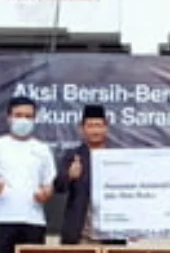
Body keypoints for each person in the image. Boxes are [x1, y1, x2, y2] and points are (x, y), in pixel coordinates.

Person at [0, 96, 56, 253]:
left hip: (34, 221)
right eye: (18, 115)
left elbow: (48, 185)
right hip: (2, 220)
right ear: (8, 117)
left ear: (35, 119)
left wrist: (45, 194)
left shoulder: (42, 149)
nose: (23, 120)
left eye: (28, 116)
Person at [54, 104, 127, 245]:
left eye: (99, 126)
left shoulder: (117, 157)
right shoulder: (73, 156)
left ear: (106, 128)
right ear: (82, 129)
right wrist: (70, 176)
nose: (95, 131)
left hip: (111, 235)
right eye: (90, 126)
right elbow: (59, 187)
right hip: (80, 234)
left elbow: (130, 194)